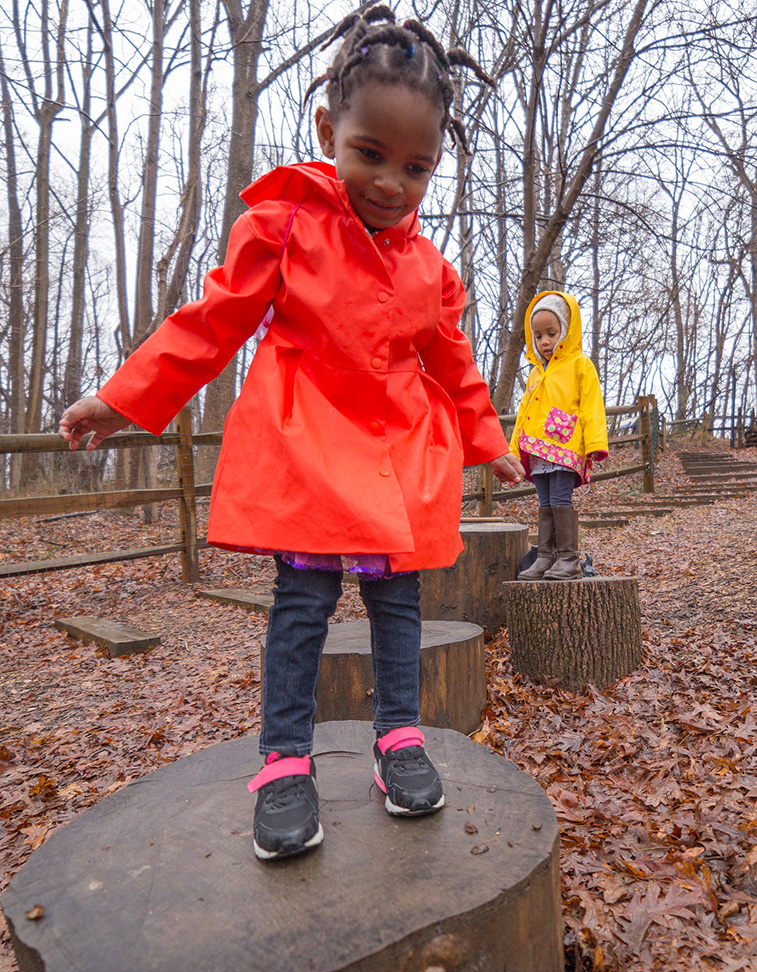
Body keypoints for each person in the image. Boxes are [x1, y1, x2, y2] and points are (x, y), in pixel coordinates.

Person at [58, 8, 525, 862]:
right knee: (302, 604)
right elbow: (208, 324)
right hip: (307, 446)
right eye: (369, 154)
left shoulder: (431, 271)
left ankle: (396, 740)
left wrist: (490, 442)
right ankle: (282, 761)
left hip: (393, 455)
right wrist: (119, 400)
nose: (390, 181)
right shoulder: (284, 226)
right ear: (327, 132)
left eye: (415, 167)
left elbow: (452, 364)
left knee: (396, 602)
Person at [510, 291, 608, 581]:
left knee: (560, 499)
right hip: (539, 451)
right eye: (538, 335)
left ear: (566, 329)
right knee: (544, 502)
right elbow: (523, 415)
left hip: (565, 447)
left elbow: (592, 405)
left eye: (551, 333)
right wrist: (514, 449)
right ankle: (545, 556)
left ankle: (569, 558)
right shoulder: (535, 373)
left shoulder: (580, 365)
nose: (545, 341)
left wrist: (596, 443)